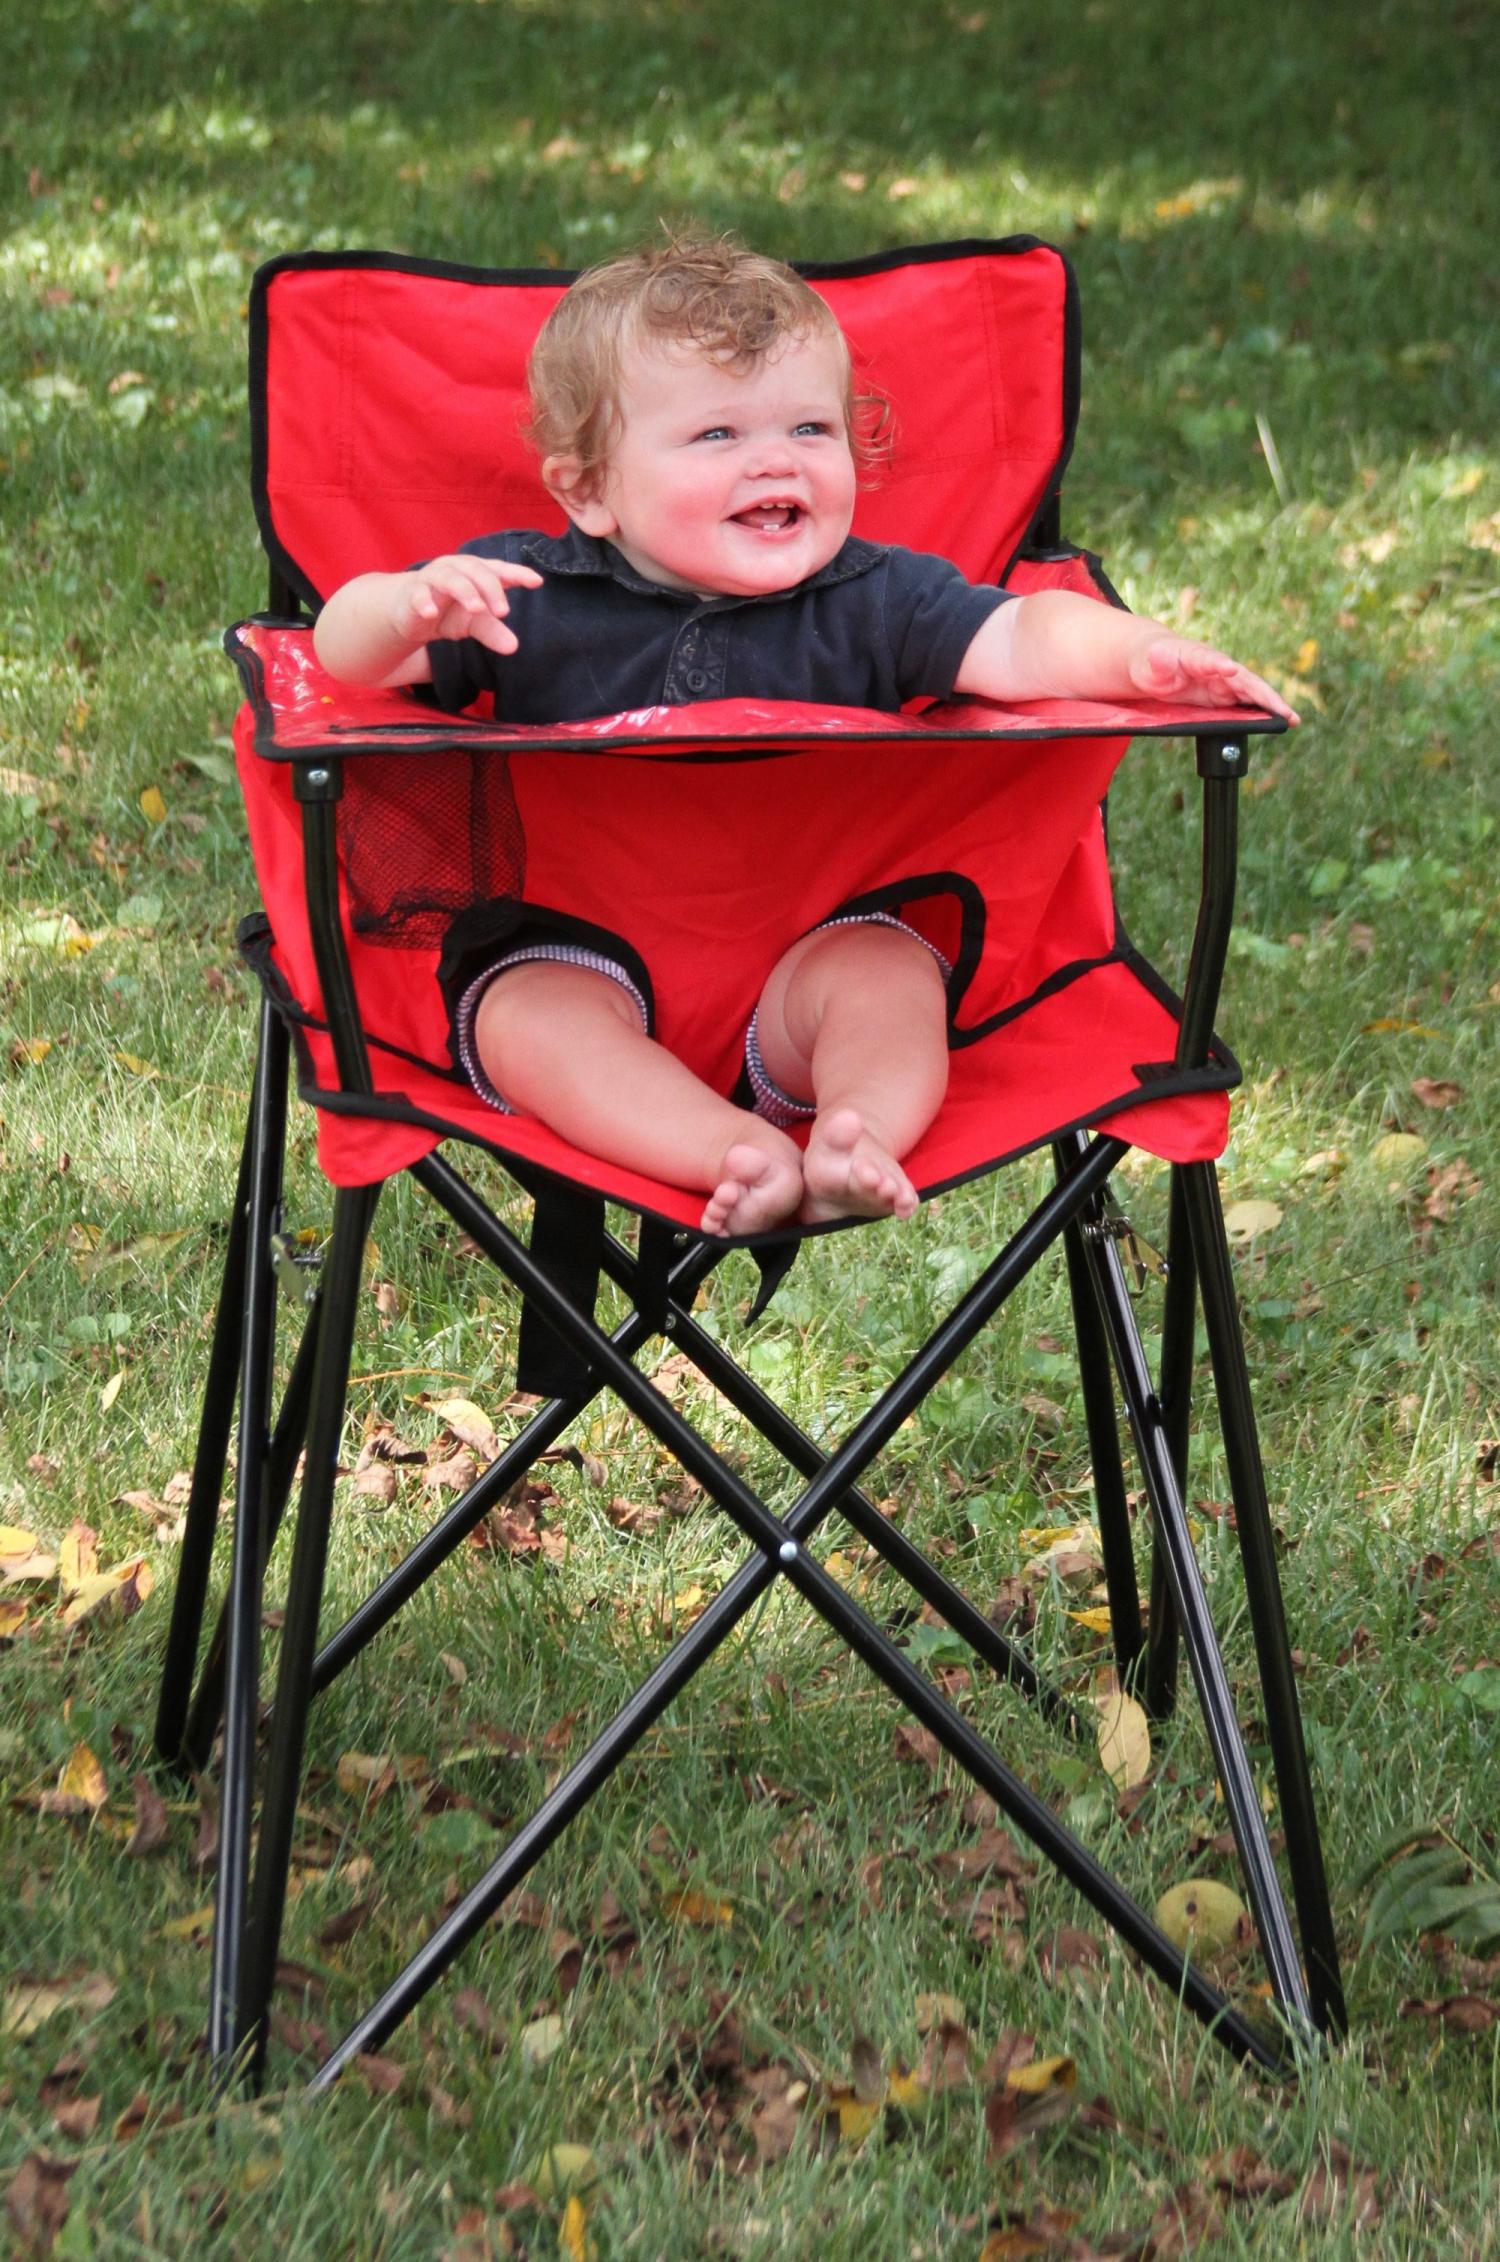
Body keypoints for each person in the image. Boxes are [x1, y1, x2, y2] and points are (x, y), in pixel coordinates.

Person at [313, 233, 1296, 1237]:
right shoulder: (522, 596)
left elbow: (1023, 635)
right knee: (524, 1015)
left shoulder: (876, 599)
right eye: (717, 437)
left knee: (890, 975)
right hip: (578, 947)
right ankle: (728, 1155)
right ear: (589, 490)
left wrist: (1144, 658)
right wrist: (402, 605)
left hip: (811, 955)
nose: (776, 458)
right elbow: (340, 661)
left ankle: (855, 1136)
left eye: (811, 428)